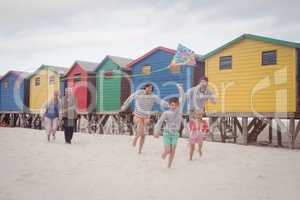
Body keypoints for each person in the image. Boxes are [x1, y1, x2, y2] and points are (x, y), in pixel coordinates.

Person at [120, 83, 169, 154]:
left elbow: (161, 102)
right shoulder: (139, 93)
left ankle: (140, 150)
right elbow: (130, 98)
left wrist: (169, 105)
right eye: (148, 87)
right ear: (145, 88)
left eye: (151, 88)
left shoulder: (153, 97)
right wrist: (124, 107)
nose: (149, 89)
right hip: (137, 115)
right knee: (140, 125)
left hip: (146, 116)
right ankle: (136, 137)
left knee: (143, 135)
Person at [154, 84, 184, 168]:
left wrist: (180, 88)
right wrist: (156, 131)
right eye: (171, 105)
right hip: (167, 133)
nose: (173, 107)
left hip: (175, 134)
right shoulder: (166, 113)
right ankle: (164, 155)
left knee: (173, 150)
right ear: (169, 105)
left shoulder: (179, 110)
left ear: (178, 105)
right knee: (168, 150)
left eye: (175, 105)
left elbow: (182, 96)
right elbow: (159, 123)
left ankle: (169, 164)